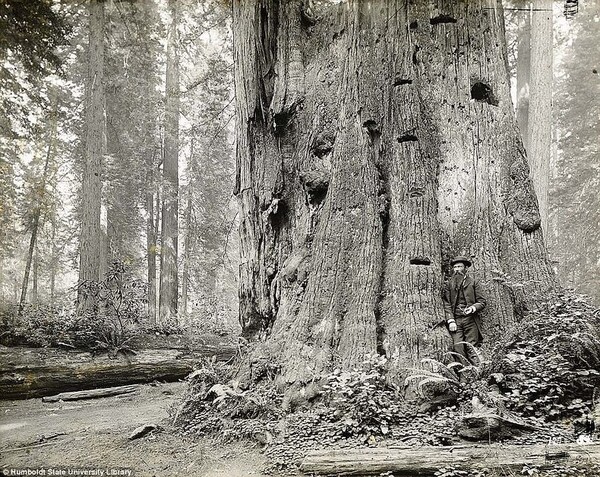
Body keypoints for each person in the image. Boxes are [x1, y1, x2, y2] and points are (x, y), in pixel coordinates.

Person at [442, 256, 486, 366]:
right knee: (457, 346)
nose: (457, 269)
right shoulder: (449, 284)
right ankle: (464, 373)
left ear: (465, 268)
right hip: (456, 320)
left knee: (471, 347)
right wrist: (450, 320)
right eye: (455, 267)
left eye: (459, 267)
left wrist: (473, 308)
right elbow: (446, 303)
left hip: (470, 320)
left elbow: (482, 301)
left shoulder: (473, 282)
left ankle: (478, 371)